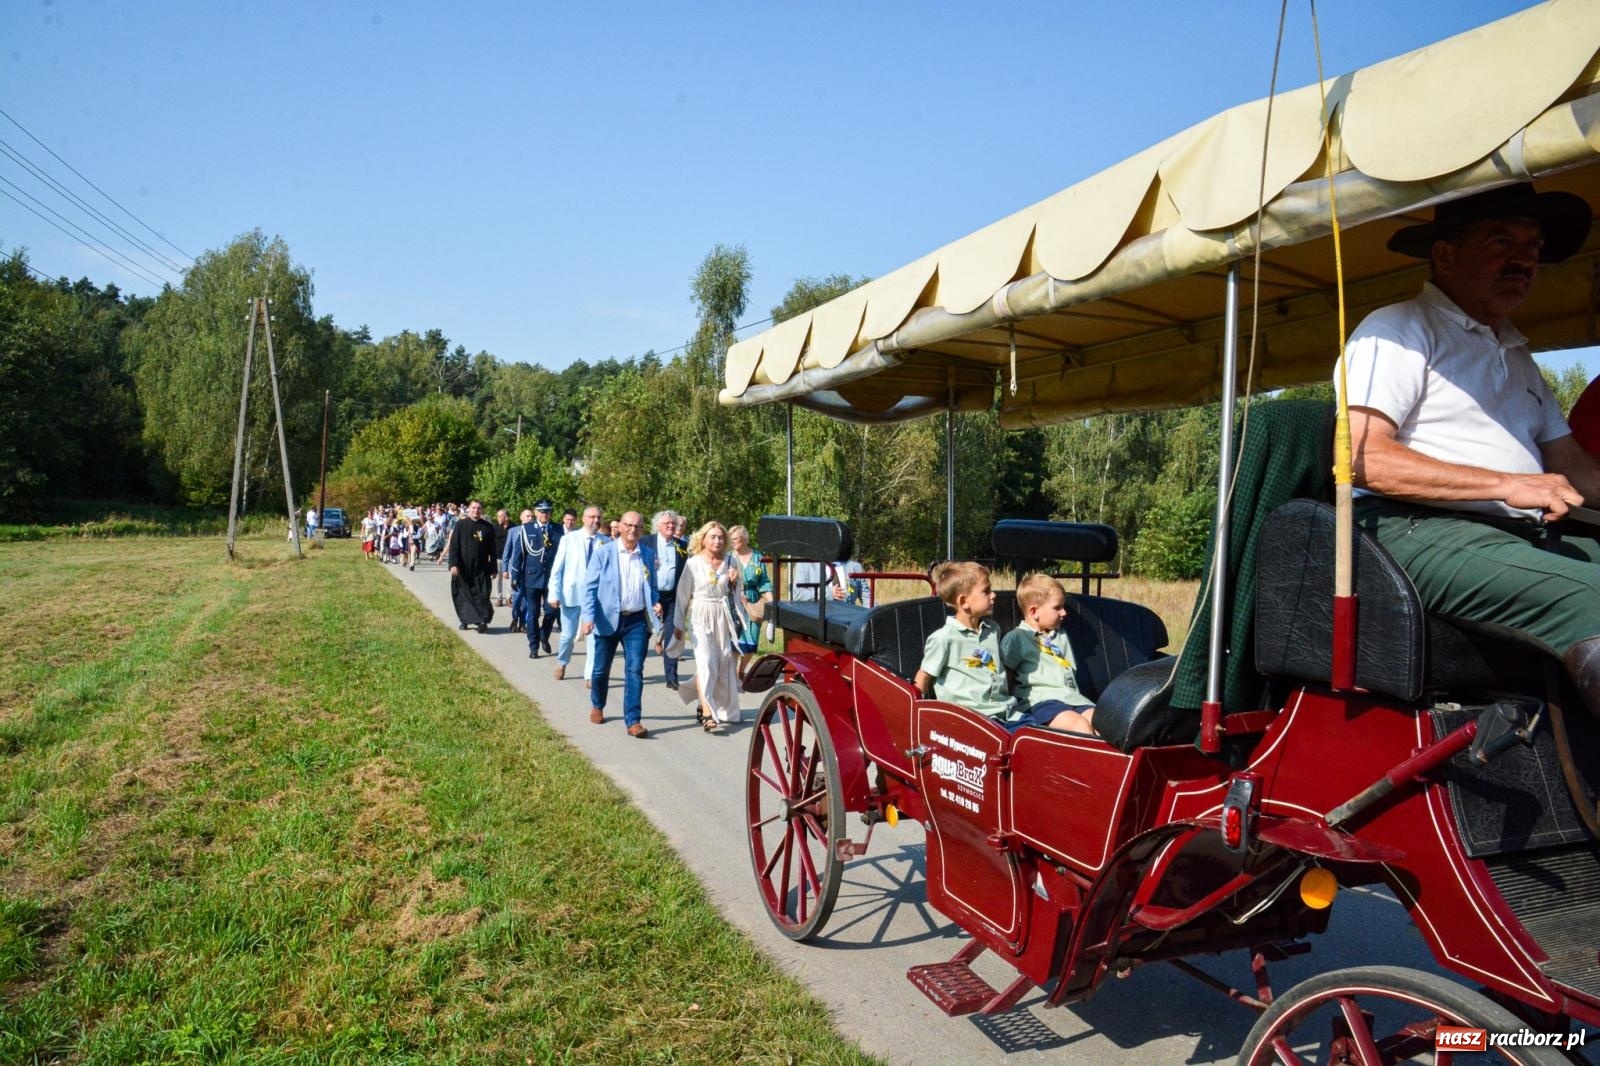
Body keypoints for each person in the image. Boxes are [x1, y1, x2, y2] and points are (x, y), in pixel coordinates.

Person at [1340, 182, 1600, 704]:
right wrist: (1507, 484)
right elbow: (1361, 458)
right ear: (1445, 255)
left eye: (1532, 246)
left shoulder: (1515, 353)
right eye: (1502, 241)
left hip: (1512, 536)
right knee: (1593, 597)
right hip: (1410, 530)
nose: (1523, 259)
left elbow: (1571, 464)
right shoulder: (1397, 328)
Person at [580, 510, 658, 738]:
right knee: (600, 669)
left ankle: (633, 721)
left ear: (642, 529)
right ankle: (597, 704)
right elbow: (590, 587)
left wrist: (655, 603)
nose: (633, 529)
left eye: (637, 526)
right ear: (621, 526)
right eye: (629, 525)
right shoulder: (604, 553)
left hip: (636, 621)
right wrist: (588, 617)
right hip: (607, 619)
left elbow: (652, 586)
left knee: (635, 670)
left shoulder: (647, 554)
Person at [999, 574, 1096, 735]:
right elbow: (1005, 678)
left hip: (1072, 698)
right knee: (1079, 726)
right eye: (1057, 607)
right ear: (1034, 611)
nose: (1064, 613)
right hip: (1040, 703)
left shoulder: (1060, 636)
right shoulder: (1016, 639)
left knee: (1103, 724)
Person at [673, 521, 744, 734]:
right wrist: (678, 624)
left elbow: (737, 593)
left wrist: (734, 582)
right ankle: (707, 714)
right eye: (712, 536)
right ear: (703, 539)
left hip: (722, 615)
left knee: (721, 662)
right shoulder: (693, 563)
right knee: (705, 662)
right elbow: (683, 594)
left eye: (721, 537)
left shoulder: (730, 561)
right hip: (700, 615)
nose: (717, 541)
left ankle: (701, 701)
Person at [548, 504, 605, 681]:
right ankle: (562, 662)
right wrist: (554, 593)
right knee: (567, 635)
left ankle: (590, 675)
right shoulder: (569, 539)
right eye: (592, 517)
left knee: (594, 638)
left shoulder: (606, 542)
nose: (595, 520)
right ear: (583, 519)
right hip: (571, 595)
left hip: (596, 598)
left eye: (598, 517)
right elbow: (557, 569)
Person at [504, 501, 561, 658]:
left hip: (552, 579)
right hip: (531, 577)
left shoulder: (558, 529)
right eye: (541, 511)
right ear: (535, 512)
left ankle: (544, 634)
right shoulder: (526, 529)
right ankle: (533, 645)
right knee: (533, 613)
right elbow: (518, 554)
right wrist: (515, 576)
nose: (544, 514)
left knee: (552, 611)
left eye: (547, 511)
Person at [651, 510, 690, 690]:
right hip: (651, 595)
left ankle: (672, 677)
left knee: (672, 634)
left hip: (672, 597)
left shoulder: (681, 545)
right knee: (643, 632)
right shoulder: (646, 542)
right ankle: (635, 669)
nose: (671, 526)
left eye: (673, 523)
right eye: (667, 523)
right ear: (658, 525)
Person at [447, 500, 498, 633]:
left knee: (482, 595)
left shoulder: (487, 527)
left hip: (481, 568)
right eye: (473, 508)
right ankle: (465, 620)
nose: (476, 510)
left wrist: (493, 568)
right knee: (463, 595)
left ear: (482, 510)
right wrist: (453, 564)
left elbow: (492, 550)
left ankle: (482, 621)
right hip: (463, 567)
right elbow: (454, 546)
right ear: (469, 509)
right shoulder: (460, 525)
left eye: (479, 508)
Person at [728, 525, 771, 670]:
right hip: (734, 600)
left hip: (753, 601)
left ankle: (741, 669)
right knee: (735, 640)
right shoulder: (729, 557)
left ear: (745, 539)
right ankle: (733, 675)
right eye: (731, 539)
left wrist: (772, 602)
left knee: (752, 641)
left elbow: (764, 581)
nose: (732, 541)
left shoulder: (758, 557)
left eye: (736, 538)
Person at [493, 509, 512, 609]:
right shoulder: (495, 527)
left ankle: (509, 598)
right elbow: (491, 542)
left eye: (500, 516)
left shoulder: (514, 527)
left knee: (510, 578)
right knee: (498, 578)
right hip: (498, 556)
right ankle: (499, 598)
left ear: (506, 517)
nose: (498, 518)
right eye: (497, 516)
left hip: (510, 557)